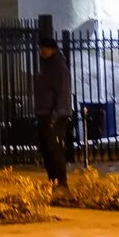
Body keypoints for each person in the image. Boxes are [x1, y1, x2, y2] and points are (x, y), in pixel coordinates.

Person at [34, 35, 73, 184]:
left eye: (44, 49)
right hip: (44, 113)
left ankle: (60, 183)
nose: (41, 52)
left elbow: (62, 93)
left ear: (52, 49)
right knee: (46, 151)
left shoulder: (59, 68)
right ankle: (53, 181)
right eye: (40, 49)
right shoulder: (46, 66)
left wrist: (55, 116)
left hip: (54, 116)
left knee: (55, 150)